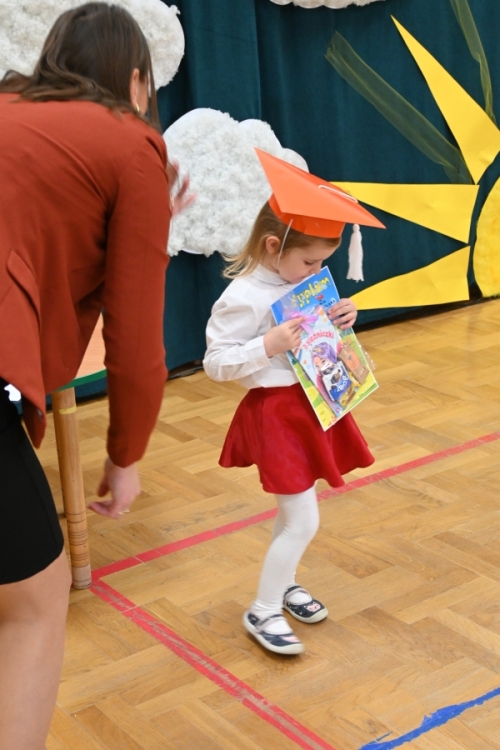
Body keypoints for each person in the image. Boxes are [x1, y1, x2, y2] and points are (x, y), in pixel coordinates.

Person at [0, 4, 192, 748]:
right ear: (138, 82)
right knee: (36, 599)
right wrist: (125, 455)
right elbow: (136, 340)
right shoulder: (131, 142)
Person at [204, 151, 383, 655]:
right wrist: (267, 345)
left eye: (323, 263)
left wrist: (342, 317)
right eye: (310, 262)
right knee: (304, 519)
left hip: (312, 408)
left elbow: (321, 341)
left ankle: (283, 584)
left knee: (292, 512)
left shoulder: (301, 282)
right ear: (272, 246)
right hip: (276, 416)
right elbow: (215, 363)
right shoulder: (243, 296)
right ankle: (262, 610)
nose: (317, 272)